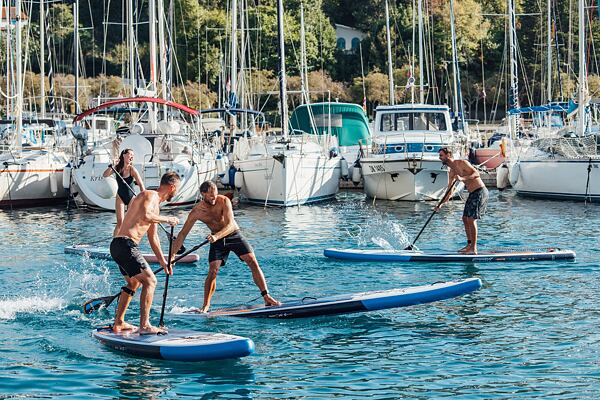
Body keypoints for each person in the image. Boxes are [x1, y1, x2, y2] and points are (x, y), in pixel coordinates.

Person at [172, 181, 280, 313]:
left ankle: (266, 296)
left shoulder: (224, 201)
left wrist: (217, 236)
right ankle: (205, 306)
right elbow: (183, 234)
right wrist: (172, 255)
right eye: (211, 196)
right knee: (213, 270)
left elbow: (230, 225)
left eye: (215, 194)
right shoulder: (197, 211)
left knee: (252, 261)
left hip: (233, 234)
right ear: (203, 194)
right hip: (217, 240)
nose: (214, 198)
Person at [109, 172, 180, 334]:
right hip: (125, 245)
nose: (176, 192)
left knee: (134, 283)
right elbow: (146, 215)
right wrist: (168, 219)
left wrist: (163, 261)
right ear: (172, 187)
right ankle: (145, 325)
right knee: (151, 281)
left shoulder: (156, 205)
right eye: (177, 189)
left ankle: (119, 322)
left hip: (119, 246)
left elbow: (153, 237)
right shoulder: (150, 195)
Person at [435, 147, 489, 254]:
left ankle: (474, 248)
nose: (439, 158)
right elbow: (449, 192)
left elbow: (476, 174)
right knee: (465, 218)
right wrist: (440, 204)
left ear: (448, 155)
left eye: (441, 155)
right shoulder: (451, 172)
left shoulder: (462, 163)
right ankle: (469, 245)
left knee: (471, 219)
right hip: (472, 193)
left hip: (480, 191)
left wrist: (462, 178)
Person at [103, 149, 145, 236]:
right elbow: (105, 175)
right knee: (120, 222)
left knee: (130, 222)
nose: (132, 157)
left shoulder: (132, 169)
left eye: (133, 155)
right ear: (124, 155)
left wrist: (144, 199)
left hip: (131, 197)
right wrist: (113, 165)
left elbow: (141, 184)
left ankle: (128, 239)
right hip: (120, 196)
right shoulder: (117, 168)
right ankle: (115, 241)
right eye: (130, 154)